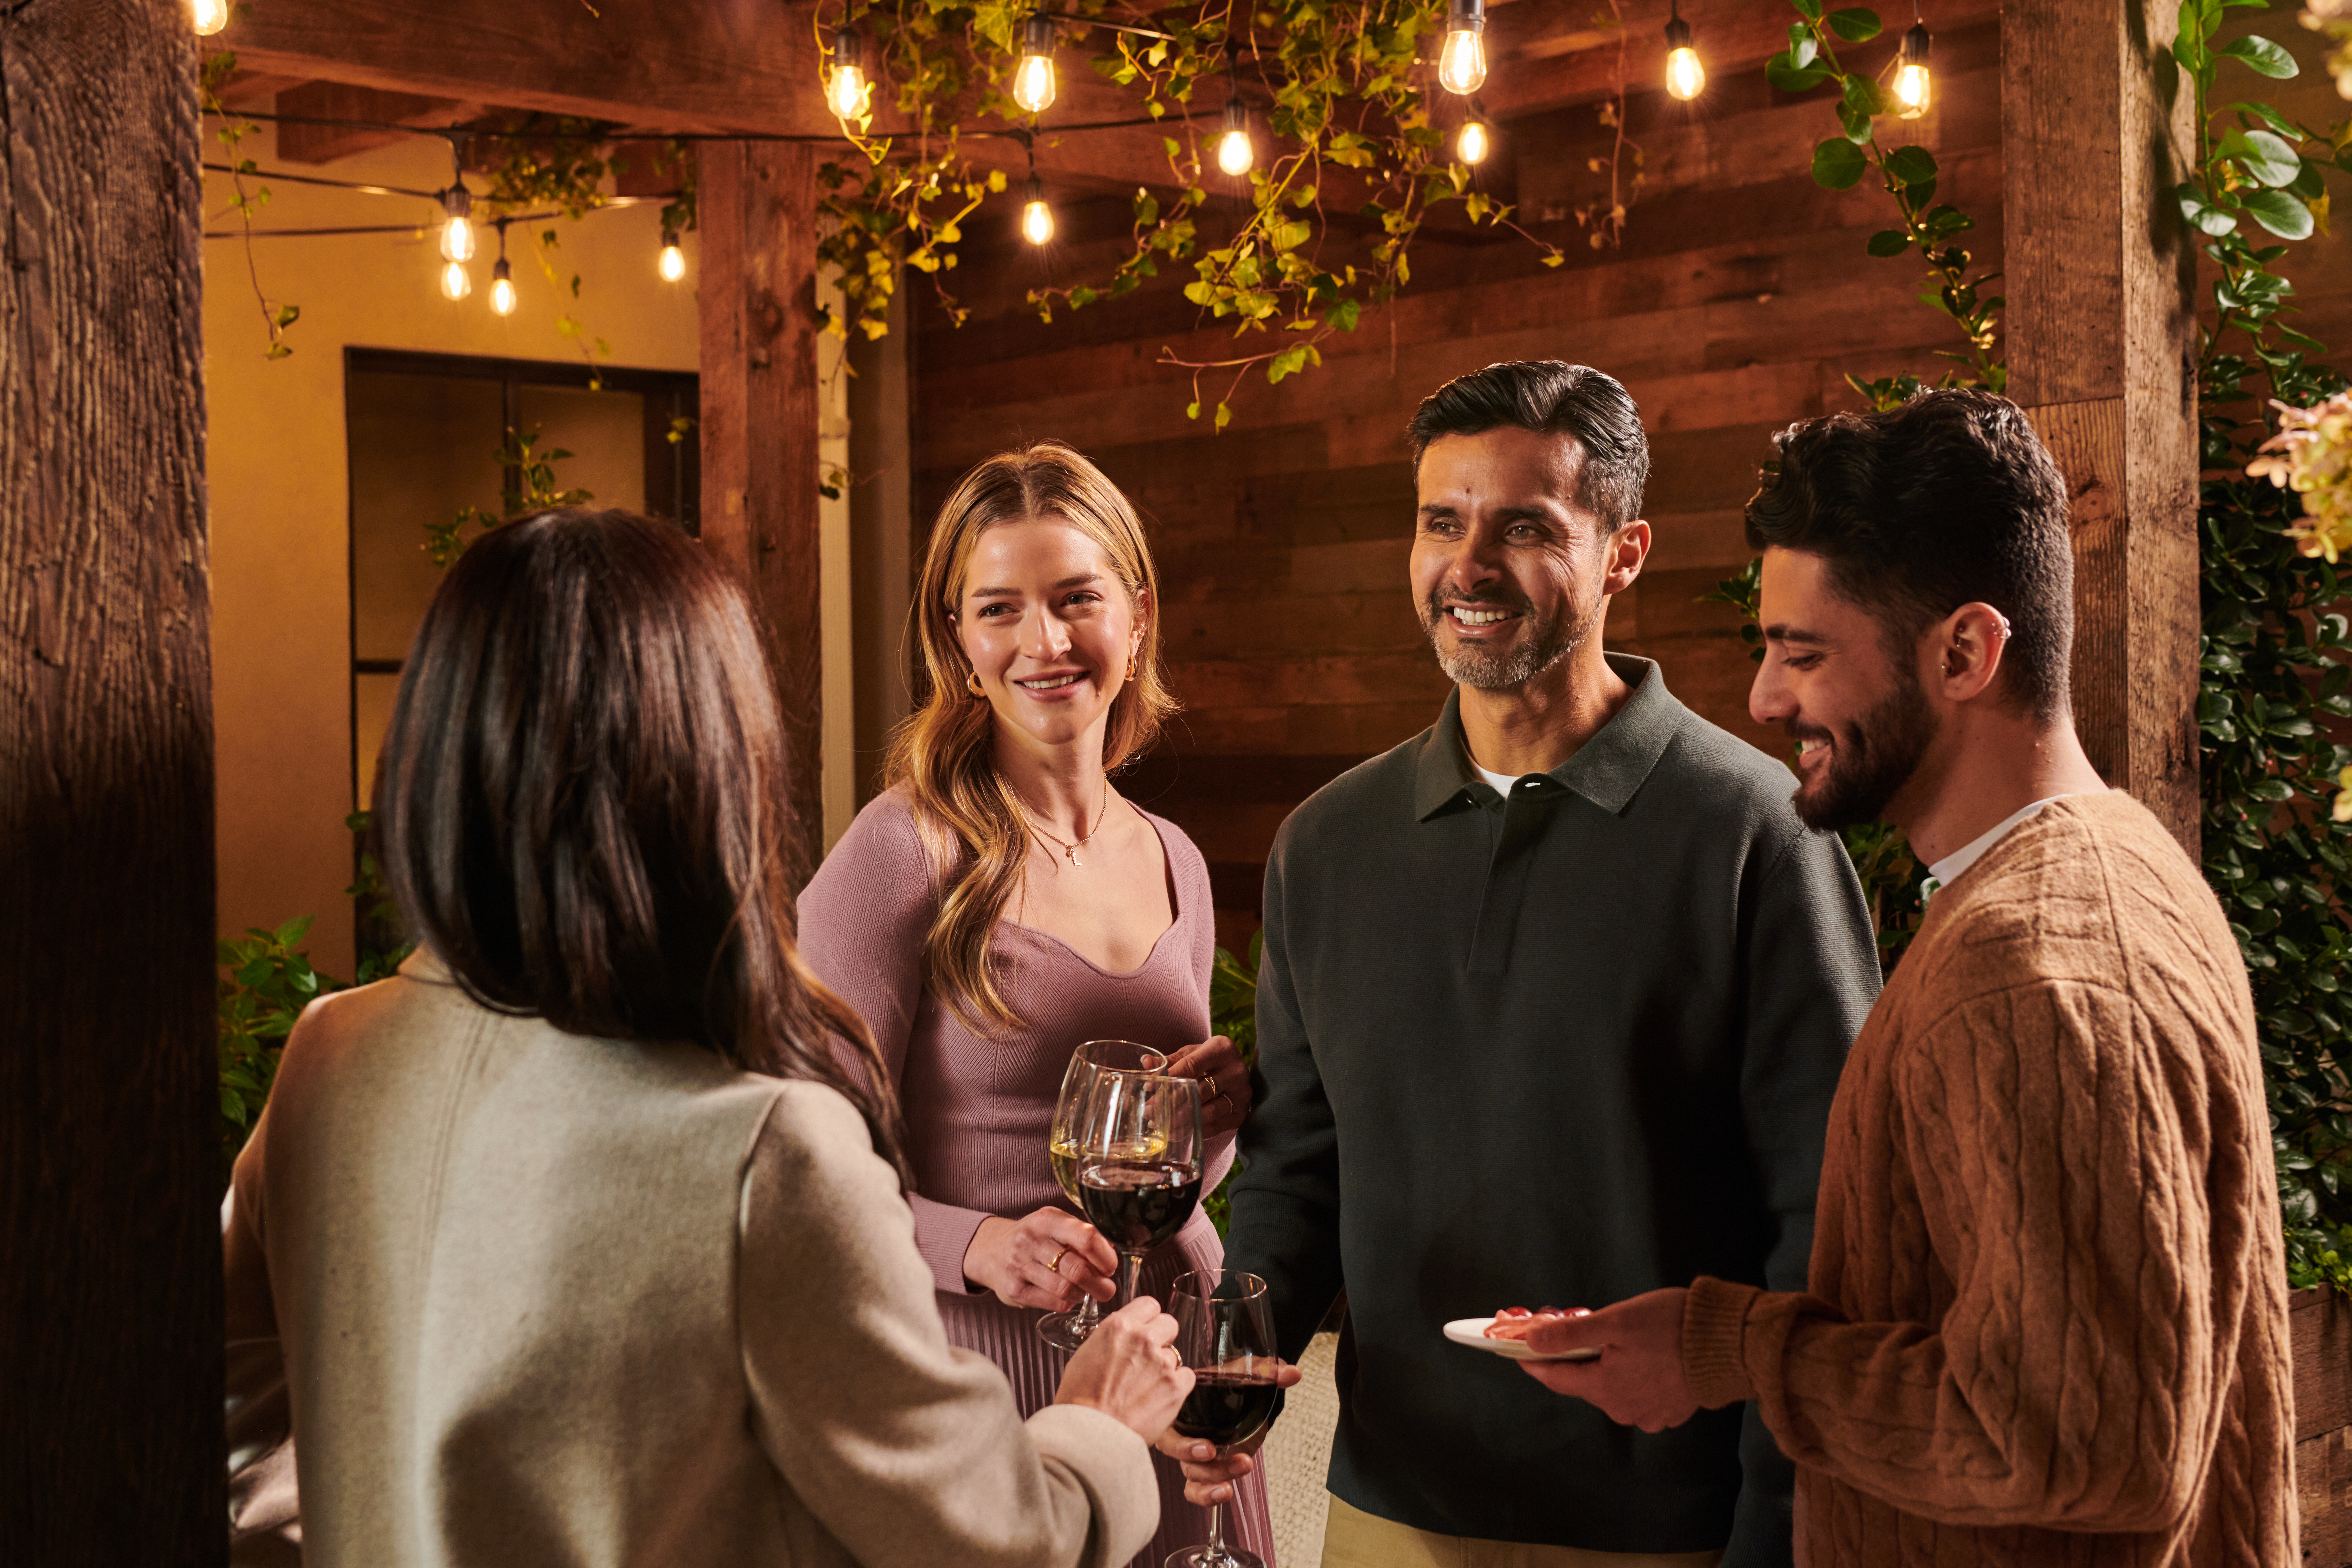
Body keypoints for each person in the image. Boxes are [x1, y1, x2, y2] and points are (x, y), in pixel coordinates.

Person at [223, 507, 1192, 1567]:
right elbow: (1000, 1544)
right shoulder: (768, 1150)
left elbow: (236, 1424)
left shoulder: (331, 1055)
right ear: (714, 761)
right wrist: (1098, 1423)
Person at [1519, 390, 2298, 1566]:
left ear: (1965, 652)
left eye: (1803, 652)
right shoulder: (2115, 860)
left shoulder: (2027, 966)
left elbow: (2088, 1442)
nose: (1764, 698)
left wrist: (1731, 1348)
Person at [1180, 362, 1883, 1566]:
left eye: (1522, 527)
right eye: (1440, 522)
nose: (1469, 566)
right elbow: (1297, 1172)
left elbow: (1825, 1219)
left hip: (1669, 1527)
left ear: (1623, 554)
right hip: (1391, 1512)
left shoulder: (1756, 831)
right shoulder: (1327, 846)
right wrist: (1234, 1379)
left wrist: (1777, 1528)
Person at [798, 442, 1276, 1566]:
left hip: (1171, 1353)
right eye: (999, 609)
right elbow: (799, 1172)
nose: (1044, 642)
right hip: (995, 1372)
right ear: (960, 644)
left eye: (1076, 599)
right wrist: (976, 1245)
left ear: (1138, 616)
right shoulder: (902, 851)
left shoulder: (1175, 856)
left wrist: (1212, 1123)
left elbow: (1157, 1178)